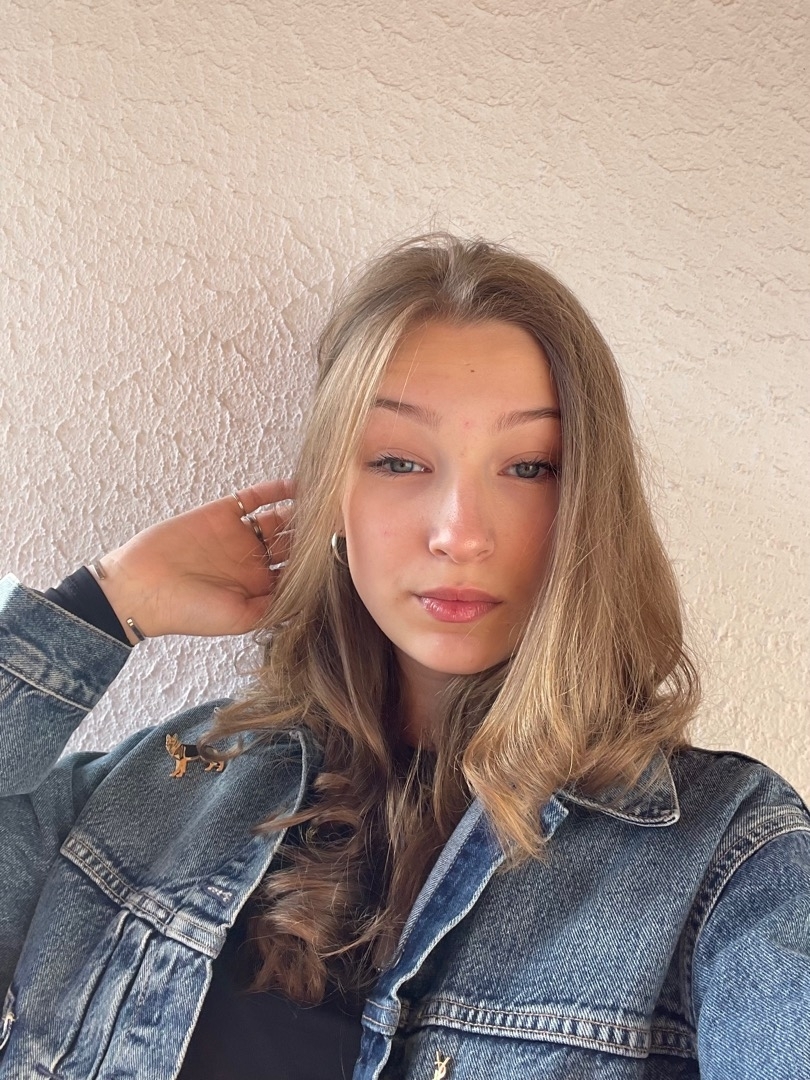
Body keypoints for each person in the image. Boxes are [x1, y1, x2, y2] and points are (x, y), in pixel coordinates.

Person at [1, 233, 808, 1080]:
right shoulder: (165, 788)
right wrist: (104, 603)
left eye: (530, 467)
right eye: (397, 460)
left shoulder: (728, 860)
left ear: (591, 505)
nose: (459, 532)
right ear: (332, 497)